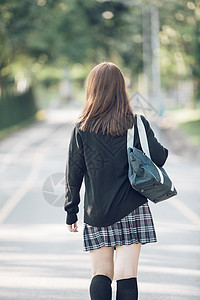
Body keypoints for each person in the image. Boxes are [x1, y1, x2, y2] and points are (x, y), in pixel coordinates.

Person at [64, 62, 168, 300]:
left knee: (100, 273)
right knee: (127, 274)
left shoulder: (82, 128)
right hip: (132, 208)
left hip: (96, 211)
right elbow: (160, 158)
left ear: (92, 89)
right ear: (122, 89)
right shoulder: (136, 123)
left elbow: (73, 173)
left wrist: (71, 211)